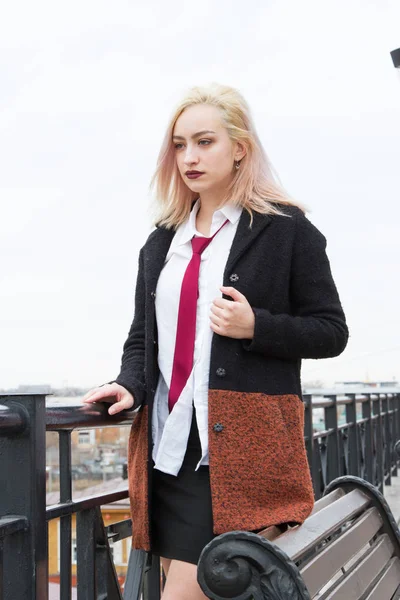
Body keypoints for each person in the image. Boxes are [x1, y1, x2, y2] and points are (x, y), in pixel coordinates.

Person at [82, 83, 349, 600]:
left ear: (240, 148)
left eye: (204, 142)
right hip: (169, 446)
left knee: (189, 590)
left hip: (241, 450)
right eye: (179, 145)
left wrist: (258, 327)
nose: (189, 157)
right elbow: (144, 337)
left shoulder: (286, 230)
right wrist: (130, 385)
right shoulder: (163, 240)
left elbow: (331, 330)